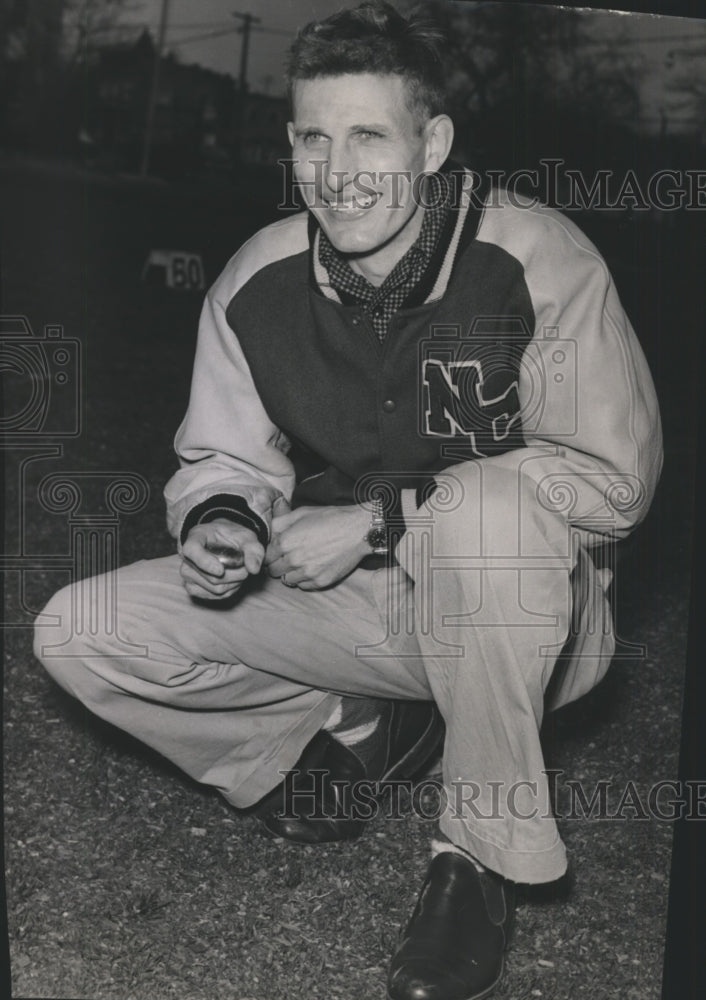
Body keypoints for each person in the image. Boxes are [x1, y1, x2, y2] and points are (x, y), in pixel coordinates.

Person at [34, 3, 663, 998]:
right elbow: (219, 458)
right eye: (315, 138)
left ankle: (476, 856)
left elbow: (613, 484)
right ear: (290, 145)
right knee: (79, 629)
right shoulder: (255, 278)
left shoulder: (538, 258)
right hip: (366, 607)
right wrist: (223, 523)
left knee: (478, 519)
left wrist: (384, 519)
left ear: (433, 143)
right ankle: (341, 745)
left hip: (535, 616)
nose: (340, 171)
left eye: (371, 134)